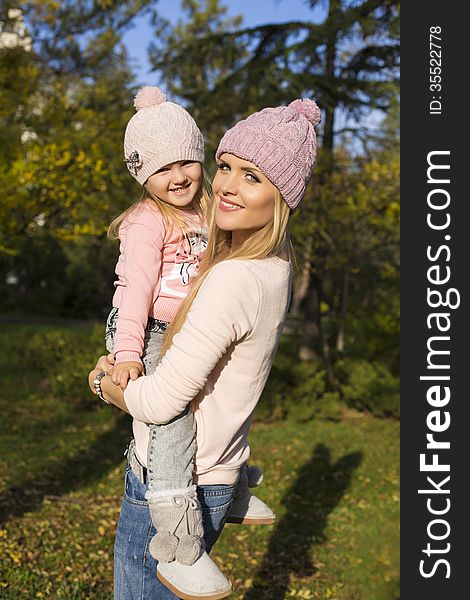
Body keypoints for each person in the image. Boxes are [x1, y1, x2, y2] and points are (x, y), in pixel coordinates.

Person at [90, 97, 321, 599]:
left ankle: (178, 538)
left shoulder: (231, 266)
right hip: (144, 329)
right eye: (226, 167)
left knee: (170, 425)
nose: (224, 185)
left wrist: (104, 384)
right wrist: (127, 352)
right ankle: (234, 486)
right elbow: (132, 292)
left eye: (253, 176)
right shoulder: (270, 266)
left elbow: (161, 403)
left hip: (184, 478)